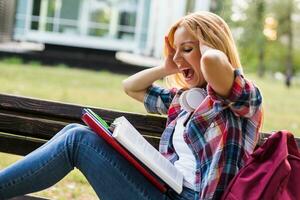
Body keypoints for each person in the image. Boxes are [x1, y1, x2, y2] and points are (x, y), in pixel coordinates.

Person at [0, 11, 262, 200]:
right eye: (174, 50)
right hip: (164, 189)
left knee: (77, 140)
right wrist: (167, 65)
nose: (178, 58)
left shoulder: (241, 100)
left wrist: (205, 41)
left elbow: (215, 61)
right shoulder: (184, 99)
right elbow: (131, 86)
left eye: (187, 49)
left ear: (208, 47)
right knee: (73, 132)